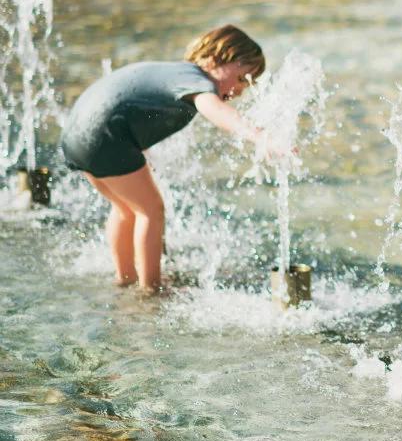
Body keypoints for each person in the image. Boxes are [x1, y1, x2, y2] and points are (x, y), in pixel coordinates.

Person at [60, 24, 282, 294]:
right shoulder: (197, 81)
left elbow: (129, 102)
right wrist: (259, 136)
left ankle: (124, 278)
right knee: (151, 210)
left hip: (78, 134)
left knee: (126, 210)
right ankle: (150, 290)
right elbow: (214, 110)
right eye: (241, 79)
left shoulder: (175, 73)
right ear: (214, 59)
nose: (240, 91)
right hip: (105, 135)